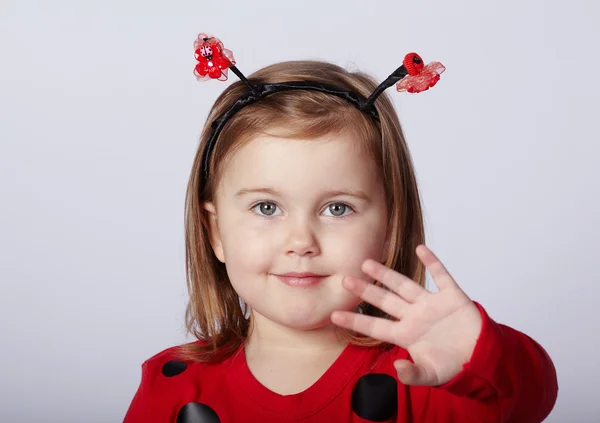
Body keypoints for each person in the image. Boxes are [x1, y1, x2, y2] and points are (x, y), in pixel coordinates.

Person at [122, 33, 558, 423]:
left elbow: (528, 400)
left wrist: (480, 354)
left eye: (337, 209)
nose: (300, 242)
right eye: (267, 207)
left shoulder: (425, 377)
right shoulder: (171, 388)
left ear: (390, 226)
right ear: (215, 232)